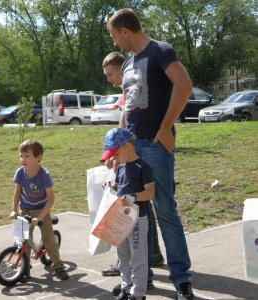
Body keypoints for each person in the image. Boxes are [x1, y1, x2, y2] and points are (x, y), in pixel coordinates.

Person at [107, 8, 194, 300]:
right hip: (129, 149)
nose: (115, 45)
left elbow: (184, 85)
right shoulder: (129, 63)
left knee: (166, 211)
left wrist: (166, 128)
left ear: (125, 31)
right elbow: (126, 106)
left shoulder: (161, 51)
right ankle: (140, 279)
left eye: (115, 38)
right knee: (135, 216)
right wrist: (115, 149)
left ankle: (181, 279)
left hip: (155, 146)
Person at [101, 52, 164, 283]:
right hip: (128, 145)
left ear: (121, 69)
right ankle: (146, 260)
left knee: (143, 207)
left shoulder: (134, 81)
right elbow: (123, 118)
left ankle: (142, 271)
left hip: (144, 144)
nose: (109, 79)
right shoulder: (125, 90)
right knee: (139, 208)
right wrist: (115, 151)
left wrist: (121, 149)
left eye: (110, 74)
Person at [100, 127, 155, 300]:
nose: (114, 158)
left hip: (137, 219)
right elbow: (120, 186)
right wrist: (111, 186)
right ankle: (126, 288)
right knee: (123, 256)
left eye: (115, 154)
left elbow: (150, 192)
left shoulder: (143, 167)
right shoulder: (122, 167)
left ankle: (138, 294)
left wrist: (134, 197)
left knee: (138, 257)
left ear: (127, 146)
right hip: (121, 219)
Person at [10, 138, 69, 282]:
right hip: (25, 209)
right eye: (21, 156)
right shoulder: (20, 173)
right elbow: (17, 192)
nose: (23, 159)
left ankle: (58, 266)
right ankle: (25, 268)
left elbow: (51, 199)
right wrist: (13, 210)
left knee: (49, 239)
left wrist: (41, 216)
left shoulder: (44, 175)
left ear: (38, 157)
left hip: (41, 210)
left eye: (27, 156)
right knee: (24, 239)